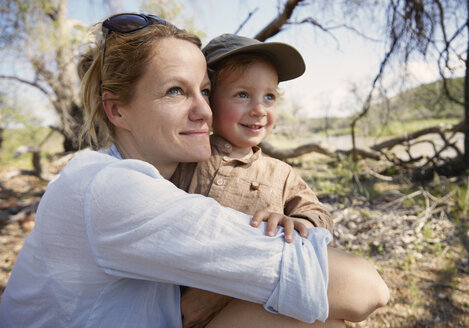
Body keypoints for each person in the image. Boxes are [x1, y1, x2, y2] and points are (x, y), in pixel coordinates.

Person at [0, 13, 389, 328]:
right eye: (175, 91)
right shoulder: (111, 189)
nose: (202, 111)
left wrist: (241, 273)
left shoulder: (267, 171)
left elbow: (309, 215)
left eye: (203, 90)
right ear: (116, 110)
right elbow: (365, 288)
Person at [172, 34, 335, 326]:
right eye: (242, 94)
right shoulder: (184, 158)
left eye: (269, 96)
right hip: (172, 305)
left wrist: (301, 223)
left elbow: (319, 214)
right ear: (208, 97)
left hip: (241, 309)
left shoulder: (279, 173)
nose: (259, 109)